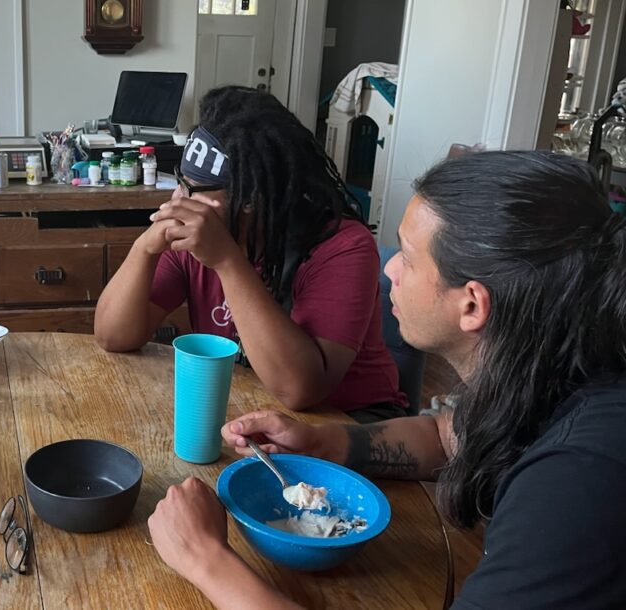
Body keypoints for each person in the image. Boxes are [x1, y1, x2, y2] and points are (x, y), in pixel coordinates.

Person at [147, 151, 626, 609]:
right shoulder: (555, 367)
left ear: (472, 304)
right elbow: (447, 436)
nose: (389, 267)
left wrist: (206, 560)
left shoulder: (577, 480)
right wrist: (324, 443)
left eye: (408, 257)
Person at [94, 86, 405, 423]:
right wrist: (144, 248)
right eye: (180, 181)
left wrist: (228, 262)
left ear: (250, 199)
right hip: (252, 409)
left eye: (192, 190)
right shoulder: (192, 236)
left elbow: (299, 389)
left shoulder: (342, 246)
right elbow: (112, 336)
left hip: (351, 422)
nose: (177, 200)